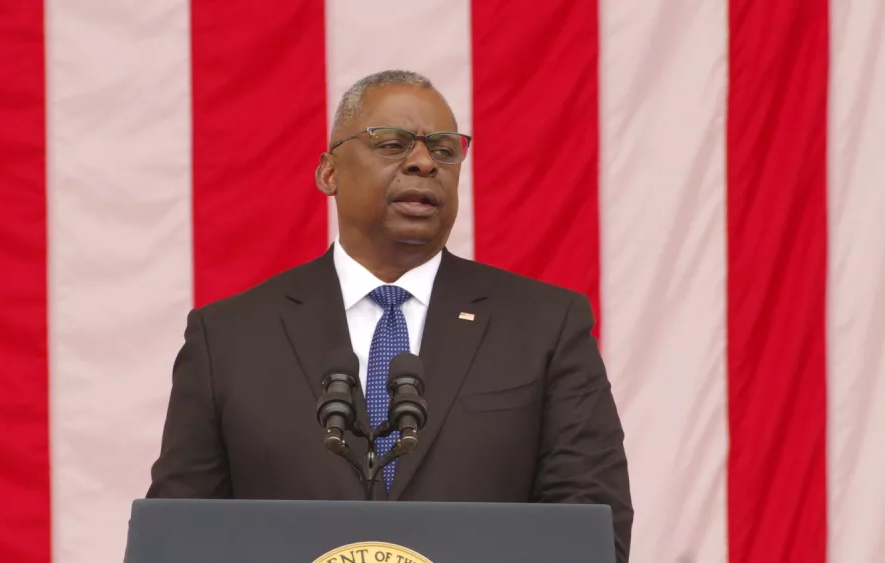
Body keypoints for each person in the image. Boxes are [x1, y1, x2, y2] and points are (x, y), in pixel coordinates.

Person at [146, 70, 633, 561]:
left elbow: (590, 530)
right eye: (392, 143)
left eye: (444, 149)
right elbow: (178, 536)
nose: (424, 163)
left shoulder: (545, 327)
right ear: (328, 173)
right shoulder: (229, 338)